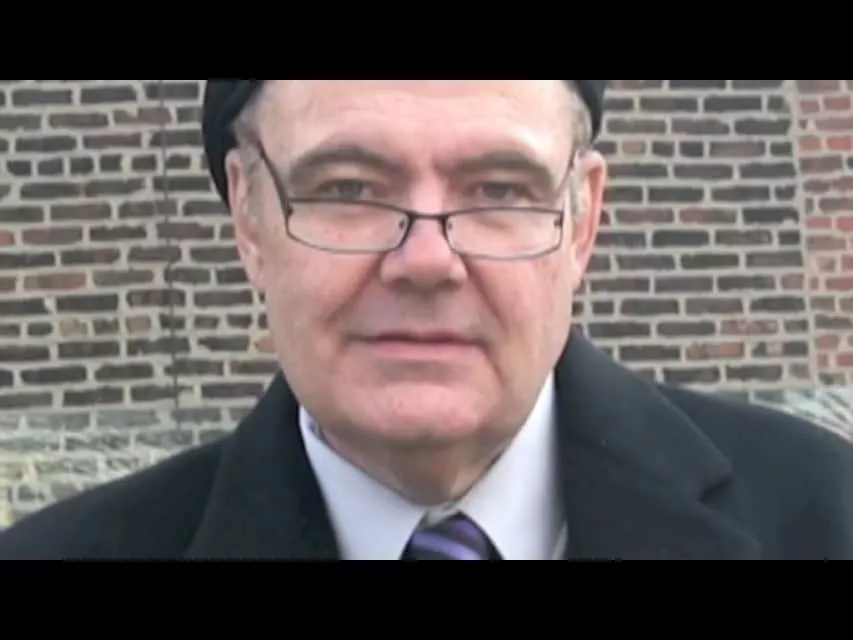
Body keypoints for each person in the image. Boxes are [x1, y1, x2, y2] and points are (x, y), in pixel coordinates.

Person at [1, 80, 851, 560]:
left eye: (498, 190)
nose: (426, 260)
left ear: (581, 220)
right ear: (248, 216)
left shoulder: (826, 518)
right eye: (347, 188)